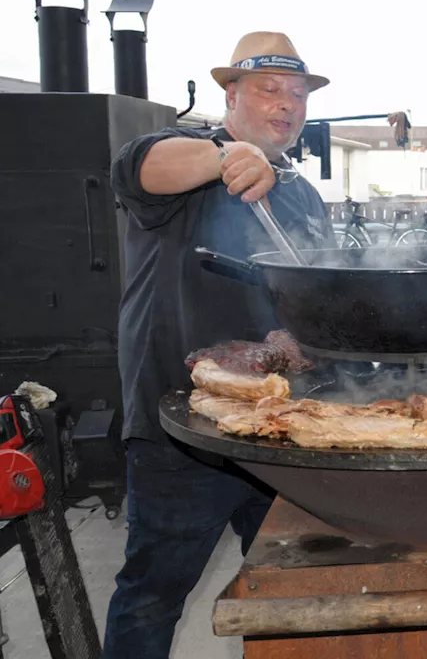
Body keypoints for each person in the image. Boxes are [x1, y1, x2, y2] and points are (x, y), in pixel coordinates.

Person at [104, 32, 334, 658]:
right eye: (268, 89)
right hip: (182, 435)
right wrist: (227, 156)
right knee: (153, 593)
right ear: (230, 93)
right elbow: (137, 166)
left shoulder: (303, 194)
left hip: (282, 431)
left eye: (297, 94)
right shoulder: (184, 162)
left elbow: (322, 296)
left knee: (290, 593)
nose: (286, 105)